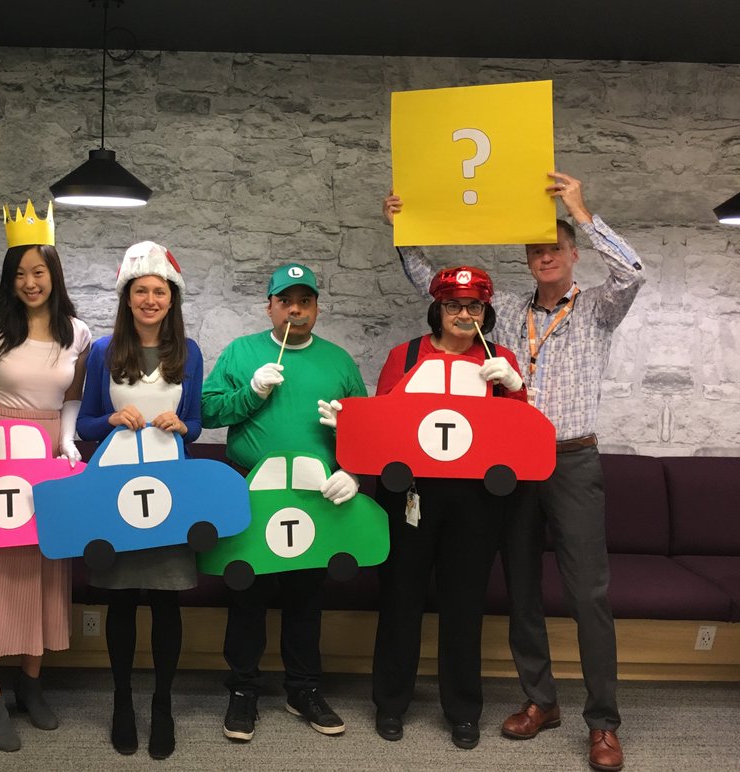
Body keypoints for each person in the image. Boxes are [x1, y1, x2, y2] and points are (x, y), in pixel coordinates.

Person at [385, 171, 643, 772]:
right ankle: (540, 700)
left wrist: (581, 210)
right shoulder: (501, 313)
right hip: (511, 466)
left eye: (555, 247)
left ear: (573, 254)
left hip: (572, 458)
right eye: (536, 249)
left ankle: (603, 722)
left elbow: (632, 272)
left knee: (586, 595)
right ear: (528, 260)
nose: (546, 256)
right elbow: (436, 285)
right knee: (522, 589)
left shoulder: (598, 308)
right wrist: (403, 227)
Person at [0, 203, 91, 752]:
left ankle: (30, 684)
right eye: (20, 273)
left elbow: (73, 397)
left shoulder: (79, 333)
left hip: (50, 460)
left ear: (54, 273)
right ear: (9, 279)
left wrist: (70, 440)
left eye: (39, 271)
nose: (30, 282)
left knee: (42, 573)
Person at [201, 262, 366, 744]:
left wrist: (351, 463)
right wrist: (250, 393)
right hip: (252, 493)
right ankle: (243, 690)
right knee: (247, 596)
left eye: (306, 301)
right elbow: (207, 411)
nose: (296, 310)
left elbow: (365, 432)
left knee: (306, 600)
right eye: (286, 301)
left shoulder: (338, 361)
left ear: (316, 306)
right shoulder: (241, 351)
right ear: (270, 306)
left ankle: (304, 688)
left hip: (314, 498)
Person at [370, 265, 526, 750]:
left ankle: (463, 709)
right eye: (454, 305)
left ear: (487, 310)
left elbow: (521, 438)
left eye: (474, 306)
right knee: (401, 597)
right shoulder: (408, 354)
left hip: (475, 497)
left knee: (464, 604)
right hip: (411, 491)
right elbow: (381, 421)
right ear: (437, 308)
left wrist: (515, 390)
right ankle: (390, 702)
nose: (463, 314)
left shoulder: (500, 357)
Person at [76, 240, 203, 760]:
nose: (150, 300)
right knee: (122, 600)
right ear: (127, 298)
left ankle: (163, 704)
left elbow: (195, 423)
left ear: (171, 300)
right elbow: (84, 421)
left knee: (166, 600)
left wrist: (182, 425)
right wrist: (109, 418)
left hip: (170, 490)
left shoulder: (188, 352)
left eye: (159, 292)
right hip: (114, 488)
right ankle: (123, 701)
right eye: (141, 292)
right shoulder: (105, 351)